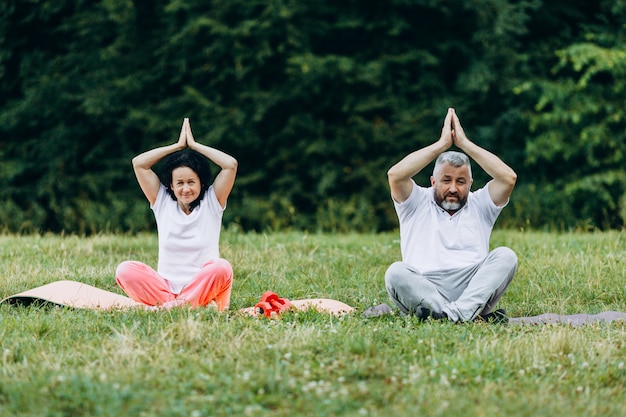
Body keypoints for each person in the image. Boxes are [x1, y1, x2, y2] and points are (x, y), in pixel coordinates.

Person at [383, 108, 518, 323]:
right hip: (425, 286)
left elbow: (508, 178)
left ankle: (451, 315)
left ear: (470, 184)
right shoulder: (416, 201)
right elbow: (395, 175)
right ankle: (457, 315)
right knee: (395, 272)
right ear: (433, 181)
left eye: (461, 181)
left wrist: (464, 144)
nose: (453, 188)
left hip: (472, 289)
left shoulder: (481, 204)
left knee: (506, 256)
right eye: (446, 180)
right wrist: (441, 145)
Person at [115, 118, 237, 311]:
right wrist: (177, 146)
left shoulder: (212, 202)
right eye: (180, 183)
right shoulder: (162, 201)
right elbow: (139, 163)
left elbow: (230, 165)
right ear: (171, 185)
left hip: (204, 290)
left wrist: (195, 146)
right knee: (125, 269)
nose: (186, 188)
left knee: (222, 267)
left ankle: (170, 308)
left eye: (191, 182)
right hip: (165, 290)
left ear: (201, 183)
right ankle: (184, 306)